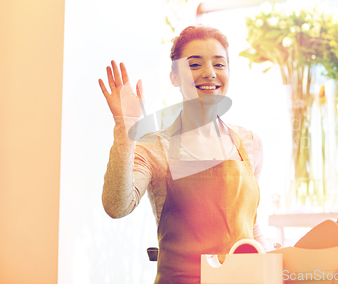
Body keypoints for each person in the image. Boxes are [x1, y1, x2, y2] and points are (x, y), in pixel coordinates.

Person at [99, 25, 266, 284]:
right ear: (174, 77)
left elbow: (251, 229)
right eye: (195, 64)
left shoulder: (249, 142)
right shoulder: (155, 146)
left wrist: (271, 267)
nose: (209, 73)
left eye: (219, 64)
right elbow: (116, 206)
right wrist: (125, 128)